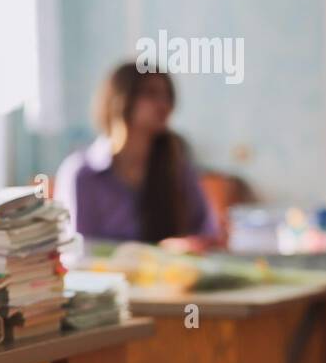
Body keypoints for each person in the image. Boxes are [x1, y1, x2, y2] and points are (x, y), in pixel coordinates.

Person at [55, 61, 219, 247]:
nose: (163, 104)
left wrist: (187, 245)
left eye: (167, 95)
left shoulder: (177, 168)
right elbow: (78, 249)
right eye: (151, 93)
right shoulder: (82, 173)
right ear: (121, 98)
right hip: (103, 275)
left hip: (168, 274)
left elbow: (205, 231)